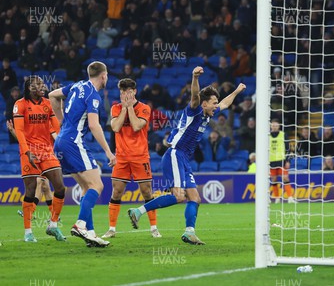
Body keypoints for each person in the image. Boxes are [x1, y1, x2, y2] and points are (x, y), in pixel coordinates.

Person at [127, 67, 245, 245]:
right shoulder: (195, 110)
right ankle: (138, 211)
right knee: (179, 196)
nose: (216, 105)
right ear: (204, 104)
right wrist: (195, 77)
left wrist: (236, 91)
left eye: (216, 103)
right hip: (175, 154)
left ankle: (189, 232)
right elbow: (195, 96)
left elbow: (226, 104)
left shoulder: (208, 114)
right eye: (213, 102)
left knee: (195, 198)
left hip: (184, 159)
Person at [49, 61, 116, 247]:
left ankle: (90, 233)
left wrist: (62, 121)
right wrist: (109, 152)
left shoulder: (77, 85)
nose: (107, 78)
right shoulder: (94, 95)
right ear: (103, 76)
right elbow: (94, 125)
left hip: (61, 141)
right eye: (107, 75)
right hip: (73, 142)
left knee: (88, 188)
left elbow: (52, 95)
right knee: (98, 185)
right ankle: (80, 225)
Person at [102, 78, 161, 239]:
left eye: (127, 91)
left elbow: (136, 126)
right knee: (117, 192)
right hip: (121, 157)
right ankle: (112, 229)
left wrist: (129, 109)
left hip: (140, 156)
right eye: (122, 92)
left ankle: (154, 227)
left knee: (146, 192)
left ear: (134, 91)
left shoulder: (144, 108)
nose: (124, 95)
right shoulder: (115, 108)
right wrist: (124, 109)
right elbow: (115, 127)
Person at [10, 76, 67, 242]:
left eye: (43, 84)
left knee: (60, 188)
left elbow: (56, 128)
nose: (43, 87)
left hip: (46, 151)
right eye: (39, 84)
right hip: (28, 151)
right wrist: (27, 151)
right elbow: (19, 131)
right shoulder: (20, 104)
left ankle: (53, 225)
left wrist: (62, 143)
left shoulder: (47, 104)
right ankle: (28, 232)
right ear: (29, 88)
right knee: (31, 188)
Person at [270, 120, 295, 203]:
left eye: (276, 125)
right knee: (273, 179)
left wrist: (288, 160)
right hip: (271, 161)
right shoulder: (267, 135)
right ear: (270, 126)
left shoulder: (283, 135)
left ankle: (290, 197)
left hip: (282, 160)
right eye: (273, 125)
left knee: (285, 178)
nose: (274, 127)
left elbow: (288, 148)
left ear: (279, 126)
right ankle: (277, 198)